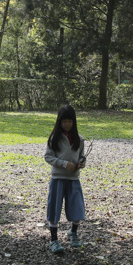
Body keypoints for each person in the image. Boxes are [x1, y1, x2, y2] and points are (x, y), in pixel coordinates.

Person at [44, 104, 87, 254]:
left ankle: (73, 232)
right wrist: (63, 164)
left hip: (73, 178)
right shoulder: (54, 138)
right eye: (64, 121)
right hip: (58, 177)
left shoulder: (79, 139)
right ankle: (54, 239)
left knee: (77, 206)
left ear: (74, 122)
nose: (67, 124)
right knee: (54, 208)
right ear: (59, 122)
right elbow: (48, 156)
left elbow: (82, 156)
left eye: (70, 121)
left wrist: (81, 164)